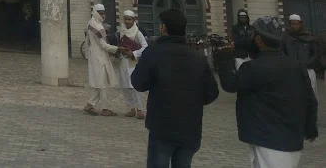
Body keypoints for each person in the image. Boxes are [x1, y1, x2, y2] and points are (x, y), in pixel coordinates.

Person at [216, 15, 318, 168]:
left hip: (267, 138)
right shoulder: (296, 65)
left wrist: (223, 59)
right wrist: (310, 127)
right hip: (292, 138)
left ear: (258, 40)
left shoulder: (254, 67)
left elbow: (230, 85)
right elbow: (310, 99)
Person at [130, 9, 219, 168]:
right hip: (190, 127)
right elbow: (211, 92)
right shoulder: (198, 58)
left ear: (164, 28)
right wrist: (192, 101)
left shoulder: (154, 53)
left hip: (162, 127)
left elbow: (138, 83)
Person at [83, 3, 120, 116]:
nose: (103, 15)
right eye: (100, 13)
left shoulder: (92, 22)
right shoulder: (97, 26)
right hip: (99, 57)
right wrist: (118, 49)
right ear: (95, 12)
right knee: (102, 83)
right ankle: (105, 108)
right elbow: (103, 45)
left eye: (103, 13)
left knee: (98, 82)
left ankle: (90, 105)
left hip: (96, 56)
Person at [115, 9, 148, 119]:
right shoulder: (121, 31)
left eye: (129, 19)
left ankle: (139, 109)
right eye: (126, 19)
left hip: (133, 61)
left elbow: (145, 47)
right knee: (124, 85)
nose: (127, 21)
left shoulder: (137, 33)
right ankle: (131, 108)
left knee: (133, 85)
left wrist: (133, 53)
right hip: (122, 61)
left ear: (133, 20)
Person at [282, 14, 320, 103]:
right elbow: (282, 53)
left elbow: (315, 53)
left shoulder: (308, 37)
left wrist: (307, 64)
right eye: (292, 24)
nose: (294, 26)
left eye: (296, 24)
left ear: (300, 24)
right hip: (292, 71)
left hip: (308, 70)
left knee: (310, 97)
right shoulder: (285, 38)